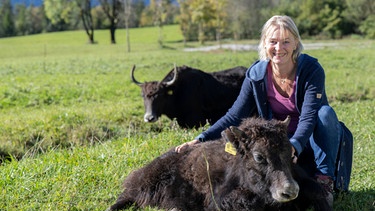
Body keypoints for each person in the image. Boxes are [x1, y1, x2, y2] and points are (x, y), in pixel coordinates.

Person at [175, 15, 353, 207]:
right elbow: (234, 115)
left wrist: (294, 145)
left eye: (286, 41)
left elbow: (308, 118)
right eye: (273, 42)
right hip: (279, 145)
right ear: (264, 44)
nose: (279, 48)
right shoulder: (256, 74)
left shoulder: (312, 70)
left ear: (295, 43)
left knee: (324, 113)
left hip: (311, 140)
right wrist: (201, 138)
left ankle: (324, 180)